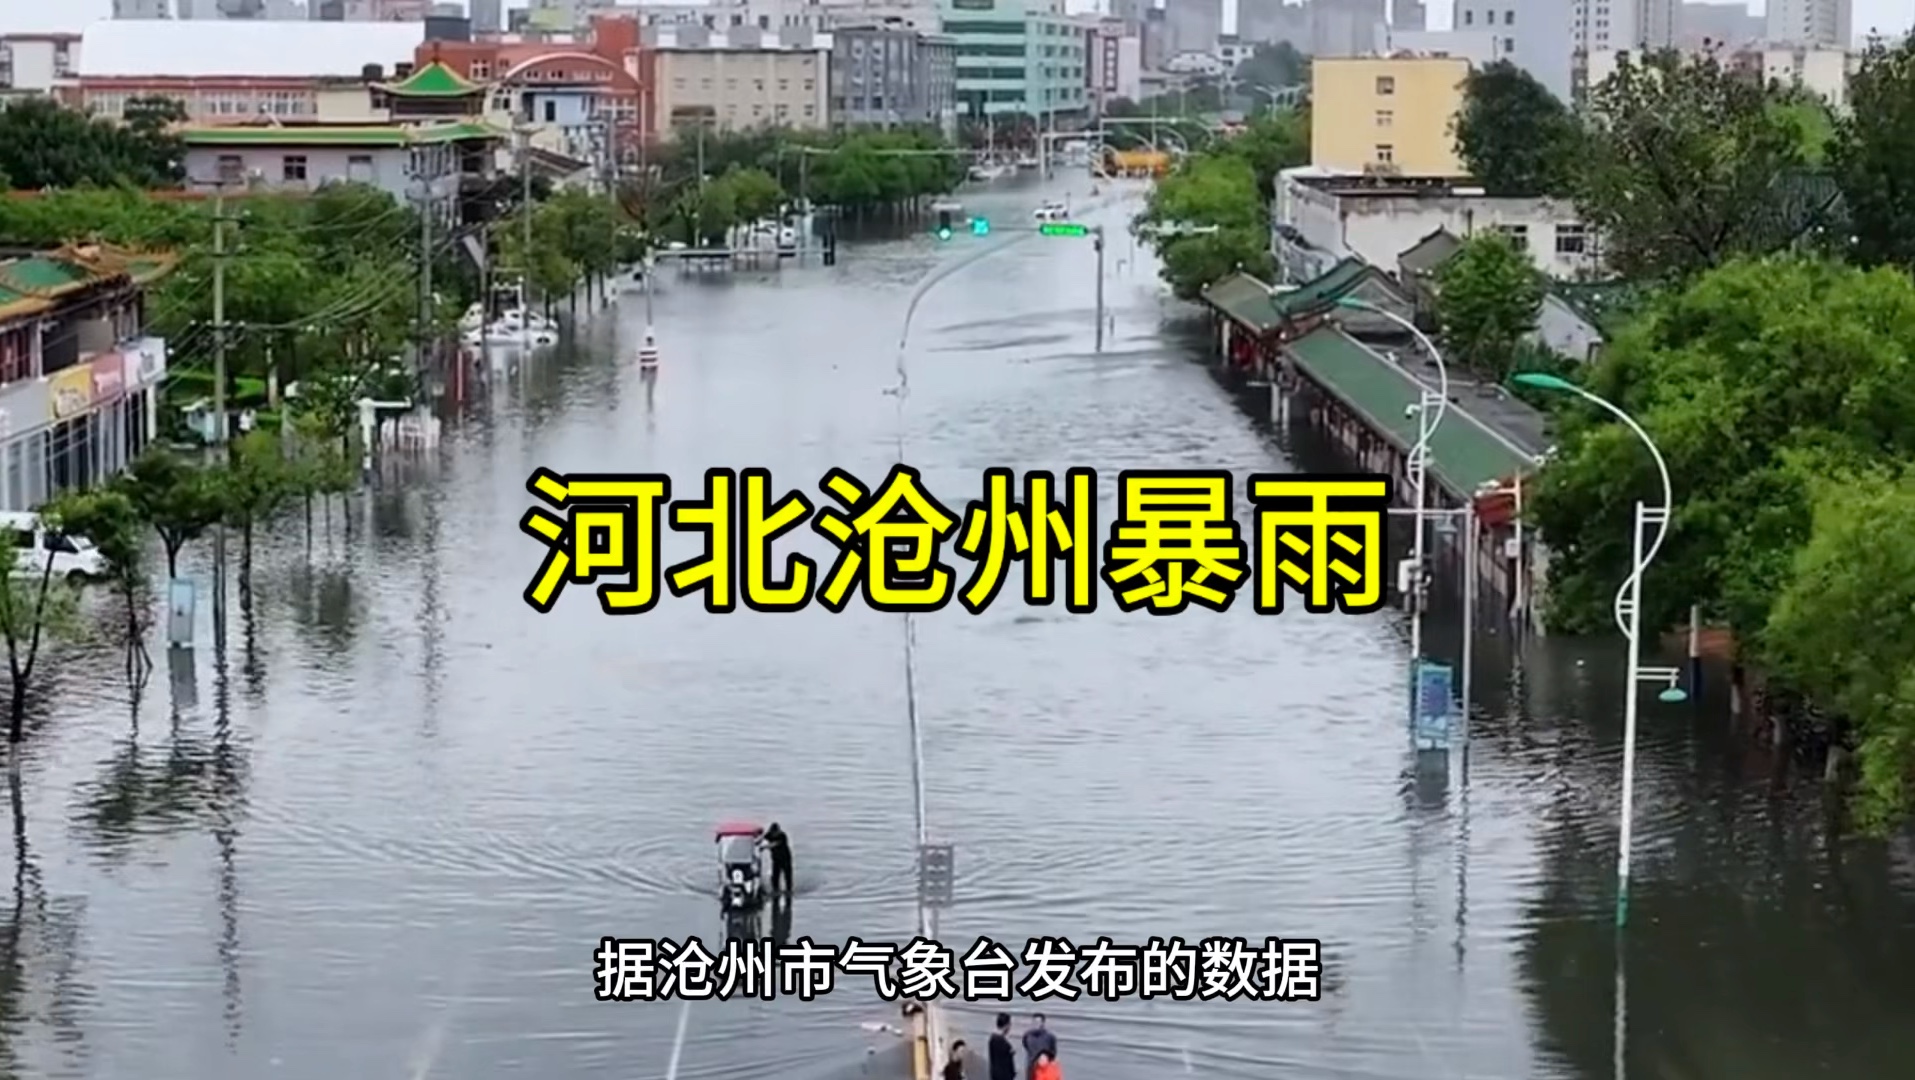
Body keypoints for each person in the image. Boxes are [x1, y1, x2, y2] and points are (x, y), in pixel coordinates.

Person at [1021, 1014, 1056, 1080]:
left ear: (1043, 1023)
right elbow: (1026, 1046)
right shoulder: (1027, 1035)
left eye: (1038, 1022)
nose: (1035, 1024)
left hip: (1044, 1069)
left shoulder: (1050, 1037)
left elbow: (1053, 1053)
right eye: (1034, 1022)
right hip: (1031, 1068)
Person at [762, 822, 793, 895]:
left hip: (785, 858)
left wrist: (765, 847)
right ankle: (775, 889)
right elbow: (761, 839)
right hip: (775, 859)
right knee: (775, 875)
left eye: (775, 832)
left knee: (787, 875)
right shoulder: (768, 835)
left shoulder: (782, 836)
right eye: (772, 832)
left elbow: (775, 844)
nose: (774, 834)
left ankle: (789, 890)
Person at [988, 1013, 1016, 1080]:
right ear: (1006, 1025)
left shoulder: (993, 1039)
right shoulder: (1000, 1041)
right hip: (1003, 1076)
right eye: (1009, 1024)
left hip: (996, 1075)